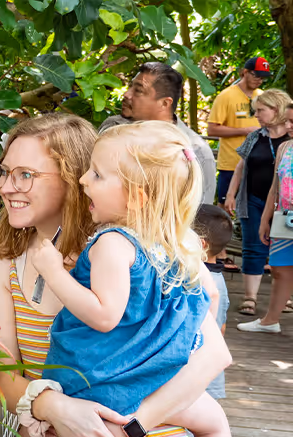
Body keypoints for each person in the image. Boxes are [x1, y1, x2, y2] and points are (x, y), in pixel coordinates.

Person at [0, 114, 232, 437]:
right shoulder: (5, 263)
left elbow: (214, 355)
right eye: (4, 172)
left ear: (73, 178)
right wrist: (50, 409)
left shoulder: (148, 247)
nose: (5, 186)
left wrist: (130, 425)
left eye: (25, 175)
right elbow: (2, 371)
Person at [99, 62, 216, 204]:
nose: (126, 94)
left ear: (165, 104)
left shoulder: (196, 151)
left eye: (138, 90)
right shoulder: (113, 128)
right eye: (130, 86)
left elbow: (200, 215)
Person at [224, 89, 293, 316]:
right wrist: (232, 194)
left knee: (284, 250)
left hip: (284, 206)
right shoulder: (255, 136)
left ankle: (285, 296)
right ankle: (250, 297)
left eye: (261, 110)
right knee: (253, 247)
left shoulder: (290, 138)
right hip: (253, 200)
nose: (257, 115)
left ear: (276, 109)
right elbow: (241, 166)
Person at [244, 103, 293, 332]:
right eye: (288, 121)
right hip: (285, 217)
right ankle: (270, 321)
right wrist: (266, 219)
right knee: (280, 269)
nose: (289, 126)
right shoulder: (285, 148)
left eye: (292, 122)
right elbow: (275, 185)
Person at [208, 57, 269, 209]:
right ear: (245, 72)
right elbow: (212, 129)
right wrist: (245, 130)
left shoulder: (263, 97)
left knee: (255, 207)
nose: (259, 80)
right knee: (225, 207)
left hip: (258, 164)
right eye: (256, 75)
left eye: (263, 77)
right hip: (231, 163)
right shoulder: (226, 96)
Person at [194, 204, 234, 400]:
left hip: (195, 374)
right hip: (210, 372)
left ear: (201, 244)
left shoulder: (197, 280)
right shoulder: (220, 281)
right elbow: (222, 327)